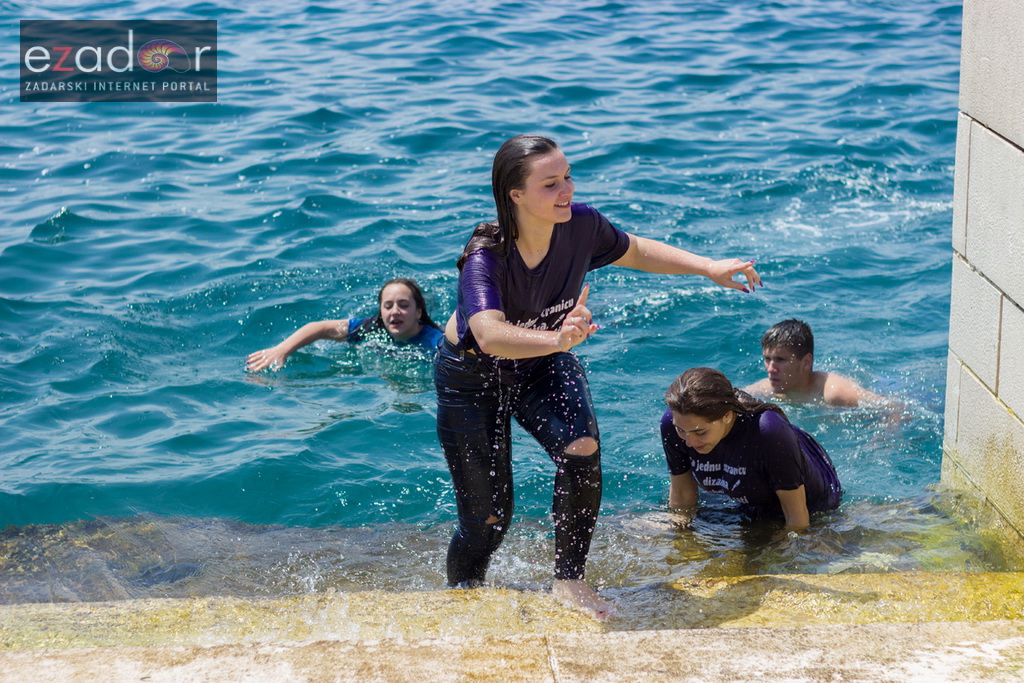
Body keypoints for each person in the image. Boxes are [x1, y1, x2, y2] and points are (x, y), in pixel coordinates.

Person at [434, 134, 761, 620]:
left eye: (567, 176)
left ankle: (569, 580)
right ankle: (462, 594)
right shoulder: (486, 257)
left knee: (581, 445)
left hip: (542, 364)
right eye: (551, 184)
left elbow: (635, 250)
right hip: (472, 377)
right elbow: (488, 332)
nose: (566, 189)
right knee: (487, 522)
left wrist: (706, 267)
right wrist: (557, 340)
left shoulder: (580, 225)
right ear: (515, 195)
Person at [662, 367, 842, 530]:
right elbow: (682, 496)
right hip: (748, 500)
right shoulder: (674, 423)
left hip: (812, 505)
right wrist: (678, 539)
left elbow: (797, 520)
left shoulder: (768, 432)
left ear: (727, 415)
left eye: (700, 432)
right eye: (681, 430)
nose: (689, 442)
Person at [246, 277, 443, 372]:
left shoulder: (436, 341)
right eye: (388, 306)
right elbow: (319, 328)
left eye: (403, 305)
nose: (394, 312)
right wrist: (281, 350)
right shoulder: (370, 329)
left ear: (419, 311)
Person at [744, 319, 881, 406]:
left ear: (806, 362)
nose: (770, 369)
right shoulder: (767, 388)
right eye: (767, 359)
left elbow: (893, 408)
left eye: (780, 360)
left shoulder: (834, 393)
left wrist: (880, 441)